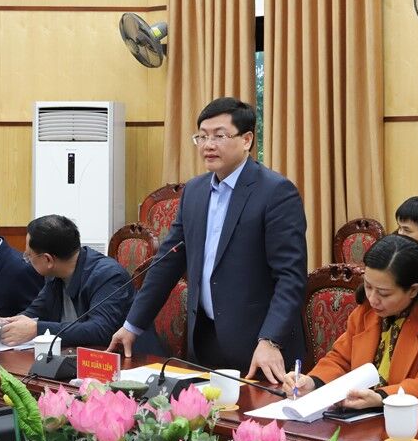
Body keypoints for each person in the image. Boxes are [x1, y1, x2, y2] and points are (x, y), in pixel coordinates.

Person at [108, 97, 307, 384]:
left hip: (260, 348)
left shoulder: (276, 192)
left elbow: (290, 277)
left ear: (247, 140)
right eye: (202, 137)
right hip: (205, 341)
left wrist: (270, 339)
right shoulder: (194, 191)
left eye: (219, 136)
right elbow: (167, 262)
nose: (208, 145)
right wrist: (132, 325)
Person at [281, 234, 418, 409]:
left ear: (413, 290)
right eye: (368, 287)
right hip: (366, 419)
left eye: (384, 293)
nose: (372, 299)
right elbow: (340, 359)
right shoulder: (367, 312)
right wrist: (312, 382)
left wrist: (382, 398)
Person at [0, 215, 134, 347]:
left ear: (48, 259)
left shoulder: (108, 275)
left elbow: (100, 331)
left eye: (29, 255)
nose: (27, 260)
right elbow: (36, 312)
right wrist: (1, 323)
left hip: (118, 358)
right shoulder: (54, 274)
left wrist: (38, 329)